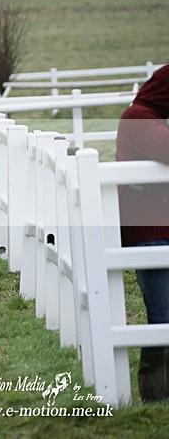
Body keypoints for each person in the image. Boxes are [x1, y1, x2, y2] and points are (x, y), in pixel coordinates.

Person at [116, 62, 169, 402]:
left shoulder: (148, 117)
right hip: (150, 231)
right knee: (162, 315)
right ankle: (155, 395)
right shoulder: (139, 117)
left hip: (156, 228)